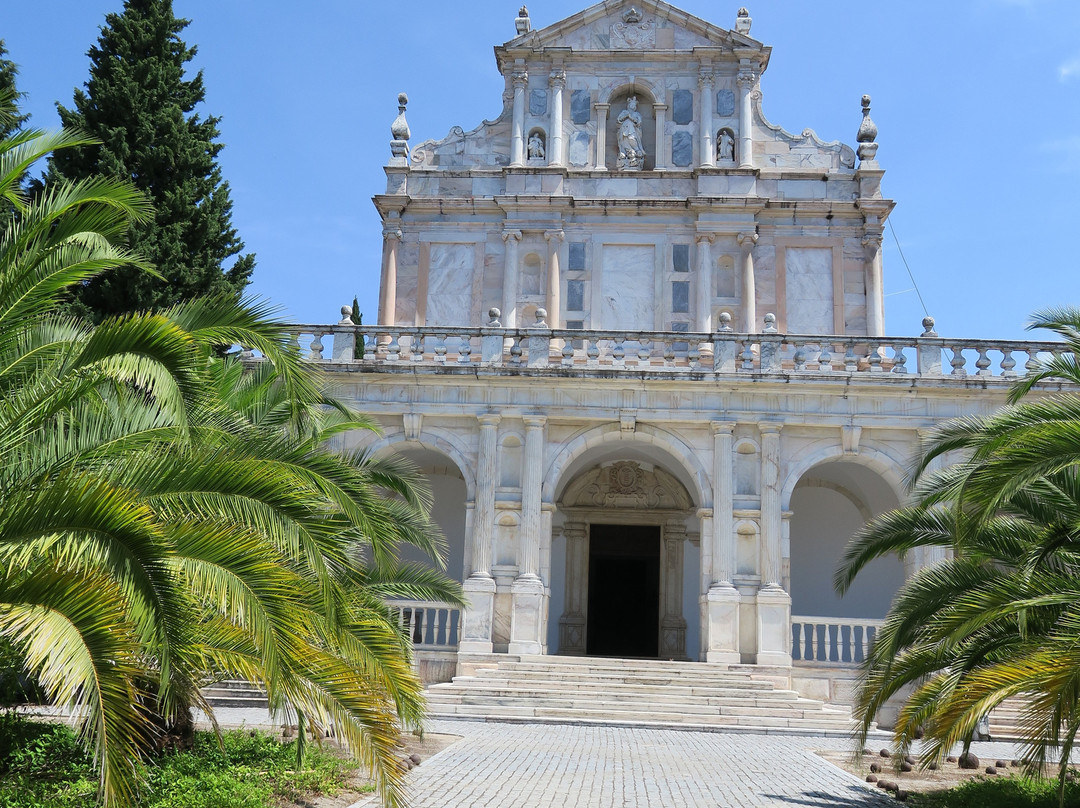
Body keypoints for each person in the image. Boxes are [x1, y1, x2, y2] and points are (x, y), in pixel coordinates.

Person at [617, 96, 644, 167]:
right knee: (624, 141)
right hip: (623, 130)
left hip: (632, 130)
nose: (633, 106)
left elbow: (638, 122)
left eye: (634, 105)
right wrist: (626, 116)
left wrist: (630, 117)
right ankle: (627, 154)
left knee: (631, 139)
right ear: (628, 105)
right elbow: (619, 120)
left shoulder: (637, 114)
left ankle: (636, 151)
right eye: (631, 104)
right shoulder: (624, 112)